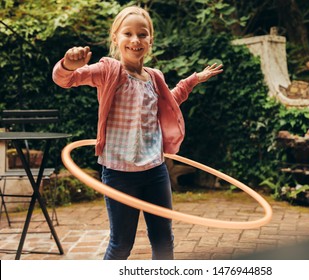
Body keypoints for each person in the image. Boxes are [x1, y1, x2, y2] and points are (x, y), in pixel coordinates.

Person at [52, 6, 223, 260]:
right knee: (121, 245)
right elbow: (64, 80)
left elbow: (170, 101)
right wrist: (67, 64)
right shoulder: (108, 71)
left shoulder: (154, 77)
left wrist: (192, 80)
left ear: (150, 40)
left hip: (154, 170)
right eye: (128, 34)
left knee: (164, 241)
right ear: (115, 38)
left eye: (142, 34)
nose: (135, 40)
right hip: (119, 173)